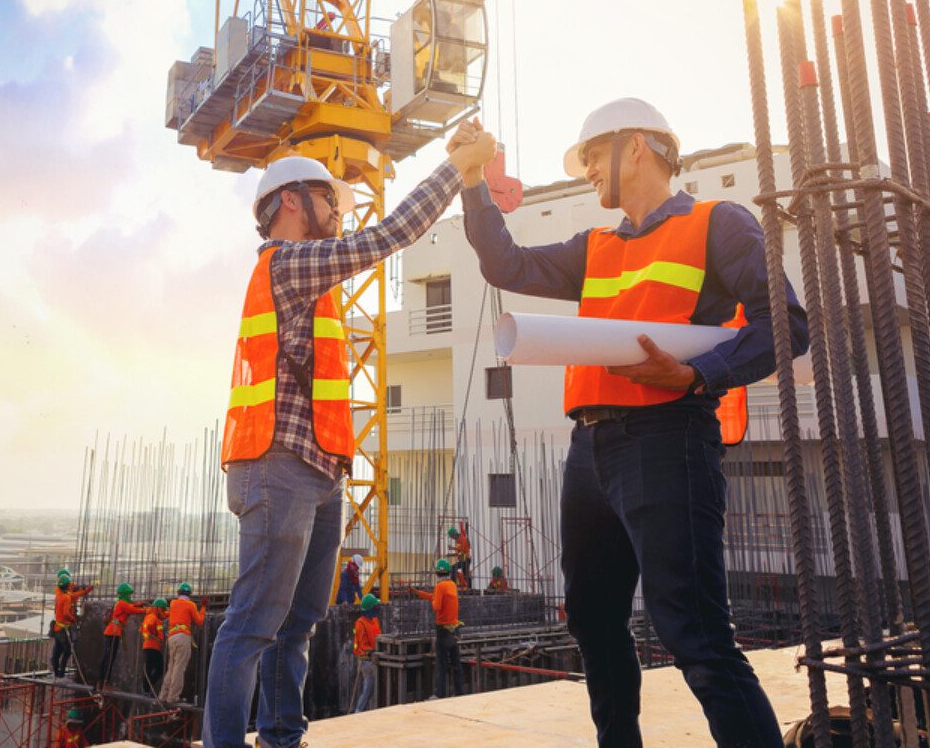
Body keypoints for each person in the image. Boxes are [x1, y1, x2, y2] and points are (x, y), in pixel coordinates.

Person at [456, 99, 808, 748]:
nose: (588, 171)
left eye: (592, 156)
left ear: (637, 147)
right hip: (589, 449)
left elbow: (786, 325)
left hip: (667, 438)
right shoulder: (597, 246)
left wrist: (699, 374)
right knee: (591, 618)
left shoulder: (717, 223)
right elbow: (506, 266)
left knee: (693, 631)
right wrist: (473, 186)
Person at [204, 135, 497, 748]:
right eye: (327, 199)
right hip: (276, 466)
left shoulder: (315, 283)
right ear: (289, 201)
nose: (339, 212)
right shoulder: (287, 264)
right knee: (254, 623)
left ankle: (282, 735)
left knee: (300, 623)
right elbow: (387, 237)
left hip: (320, 470)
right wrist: (454, 170)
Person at [410, 558, 463, 698]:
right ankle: (460, 692)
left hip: (443, 631)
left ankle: (439, 694)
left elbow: (436, 606)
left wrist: (432, 600)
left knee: (441, 664)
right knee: (456, 664)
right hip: (454, 631)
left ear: (437, 574)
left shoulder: (440, 586)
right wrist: (418, 593)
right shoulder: (451, 585)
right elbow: (434, 597)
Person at [160, 582, 205, 704]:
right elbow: (199, 621)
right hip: (182, 636)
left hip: (172, 636)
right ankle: (173, 697)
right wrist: (203, 608)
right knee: (179, 667)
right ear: (189, 594)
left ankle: (163, 695)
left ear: (178, 593)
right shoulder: (190, 605)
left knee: (171, 667)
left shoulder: (173, 603)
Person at [99, 582, 149, 687]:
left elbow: (131, 605)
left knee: (108, 658)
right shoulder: (122, 604)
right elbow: (133, 610)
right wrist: (147, 610)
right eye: (129, 594)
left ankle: (102, 681)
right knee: (109, 659)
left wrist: (140, 604)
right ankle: (104, 682)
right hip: (113, 632)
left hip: (112, 632)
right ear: (125, 594)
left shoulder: (120, 602)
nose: (130, 596)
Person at [50, 570, 93, 680]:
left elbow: (72, 594)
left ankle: (56, 670)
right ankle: (61, 672)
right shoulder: (65, 596)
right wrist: (73, 618)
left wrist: (83, 590)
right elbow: (67, 609)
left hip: (58, 627)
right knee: (67, 650)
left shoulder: (59, 594)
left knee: (58, 649)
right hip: (64, 628)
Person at [350, 593, 382, 713]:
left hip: (376, 657)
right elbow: (362, 645)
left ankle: (367, 710)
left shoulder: (374, 620)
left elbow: (378, 637)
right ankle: (358, 711)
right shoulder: (360, 623)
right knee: (368, 688)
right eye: (375, 606)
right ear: (370, 609)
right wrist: (370, 651)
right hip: (366, 661)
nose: (377, 608)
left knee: (374, 688)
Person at [141, 598, 168, 697]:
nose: (163, 611)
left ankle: (147, 689)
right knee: (152, 668)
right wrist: (151, 636)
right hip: (151, 646)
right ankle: (146, 690)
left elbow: (165, 615)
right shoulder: (152, 617)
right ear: (157, 608)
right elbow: (145, 629)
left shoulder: (155, 617)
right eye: (162, 609)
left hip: (154, 647)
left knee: (156, 668)